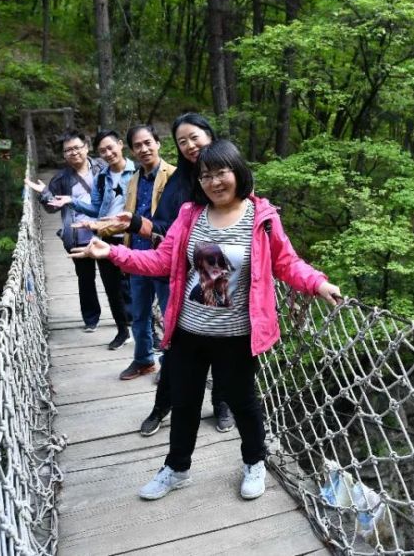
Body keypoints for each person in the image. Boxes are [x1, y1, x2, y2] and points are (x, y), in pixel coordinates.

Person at [71, 140, 341, 502]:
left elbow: (287, 262)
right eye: (206, 175)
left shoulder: (261, 218)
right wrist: (114, 252)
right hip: (188, 332)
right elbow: (160, 262)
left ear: (238, 172)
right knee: (184, 403)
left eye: (221, 173)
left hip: (236, 335)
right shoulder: (190, 215)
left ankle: (254, 462)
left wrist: (318, 282)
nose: (214, 182)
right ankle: (177, 468)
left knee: (244, 404)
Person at [102, 112, 230, 436]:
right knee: (177, 345)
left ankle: (222, 404)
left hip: (220, 267)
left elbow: (248, 209)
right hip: (185, 270)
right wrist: (132, 223)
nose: (189, 145)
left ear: (209, 133)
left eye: (194, 137)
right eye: (182, 141)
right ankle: (163, 406)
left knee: (223, 341)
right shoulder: (180, 181)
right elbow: (162, 227)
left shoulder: (230, 165)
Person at [24, 130, 107, 332]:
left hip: (106, 231)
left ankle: (128, 315)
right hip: (78, 236)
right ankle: (91, 319)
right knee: (85, 279)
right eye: (68, 150)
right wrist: (44, 193)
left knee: (115, 277)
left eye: (77, 148)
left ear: (86, 147)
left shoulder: (103, 168)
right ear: (63, 155)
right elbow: (52, 208)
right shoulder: (61, 178)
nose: (73, 152)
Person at [116, 125, 175, 381]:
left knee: (169, 314)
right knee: (139, 314)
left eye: (148, 143)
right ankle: (143, 360)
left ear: (158, 143)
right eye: (138, 145)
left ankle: (171, 364)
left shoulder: (174, 176)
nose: (144, 149)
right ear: (132, 150)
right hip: (138, 257)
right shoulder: (133, 180)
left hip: (163, 257)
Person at [68, 129, 136, 349]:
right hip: (106, 237)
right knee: (112, 287)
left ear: (119, 144)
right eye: (102, 151)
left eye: (110, 147)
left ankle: (146, 331)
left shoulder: (138, 172)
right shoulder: (101, 177)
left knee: (138, 286)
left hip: (133, 237)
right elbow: (96, 208)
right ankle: (122, 331)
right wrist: (72, 202)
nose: (107, 153)